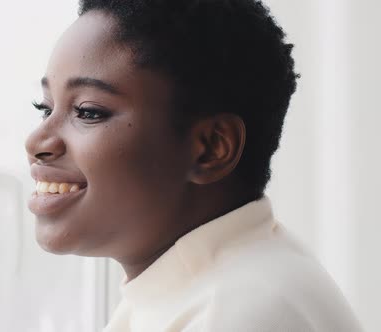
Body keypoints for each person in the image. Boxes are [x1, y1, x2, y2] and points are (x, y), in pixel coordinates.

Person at [24, 0, 362, 330]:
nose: (36, 143)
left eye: (87, 111)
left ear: (211, 148)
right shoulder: (198, 283)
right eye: (45, 107)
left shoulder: (239, 314)